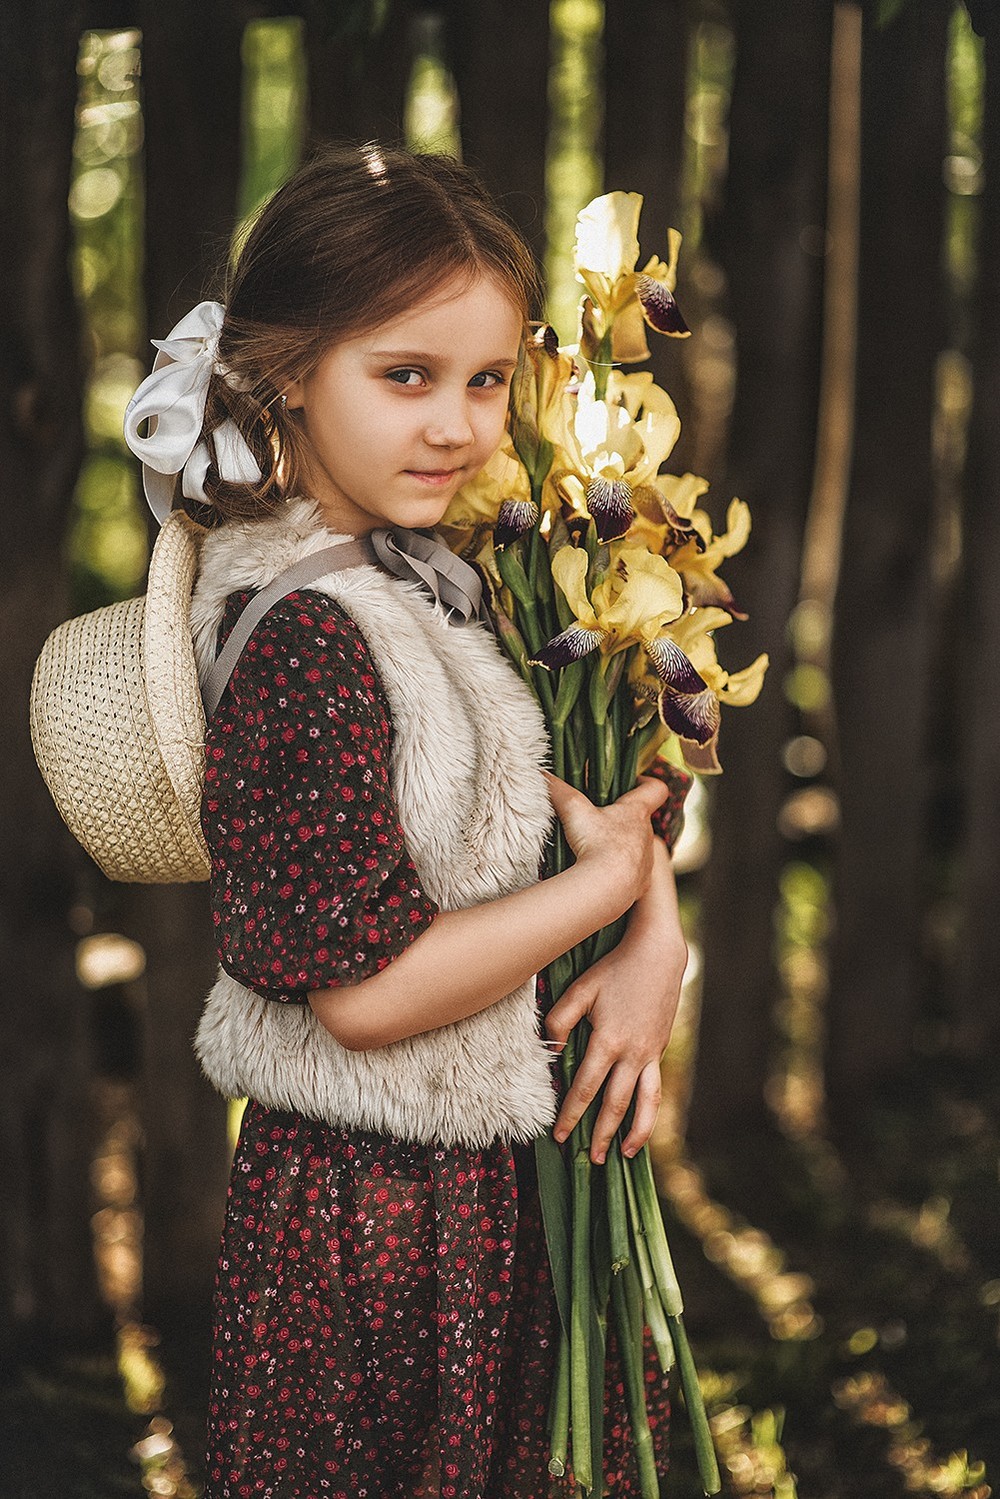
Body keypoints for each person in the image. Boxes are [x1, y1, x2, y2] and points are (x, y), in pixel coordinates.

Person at [126, 144, 689, 1498]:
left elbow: (584, 810)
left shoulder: (428, 583)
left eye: (487, 379)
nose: (458, 425)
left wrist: (652, 936)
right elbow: (363, 998)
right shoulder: (311, 639)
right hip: (372, 1228)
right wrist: (610, 896)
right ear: (283, 377)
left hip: (477, 1187)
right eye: (406, 376)